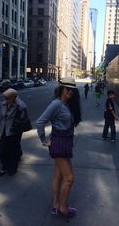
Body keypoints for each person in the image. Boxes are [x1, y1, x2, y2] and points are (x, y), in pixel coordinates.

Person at [36, 77, 81, 218]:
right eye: (68, 89)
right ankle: (63, 208)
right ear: (62, 89)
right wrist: (44, 140)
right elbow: (40, 122)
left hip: (65, 143)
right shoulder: (56, 104)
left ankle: (55, 205)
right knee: (69, 178)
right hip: (59, 144)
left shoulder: (66, 104)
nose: (70, 92)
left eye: (73, 90)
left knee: (59, 175)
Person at [0, 88, 30, 176]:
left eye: (8, 98)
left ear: (13, 98)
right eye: (5, 98)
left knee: (12, 150)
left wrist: (17, 100)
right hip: (4, 130)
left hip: (15, 130)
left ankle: (12, 168)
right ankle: (5, 166)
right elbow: (1, 118)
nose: (6, 100)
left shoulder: (20, 106)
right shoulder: (3, 105)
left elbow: (24, 110)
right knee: (2, 150)